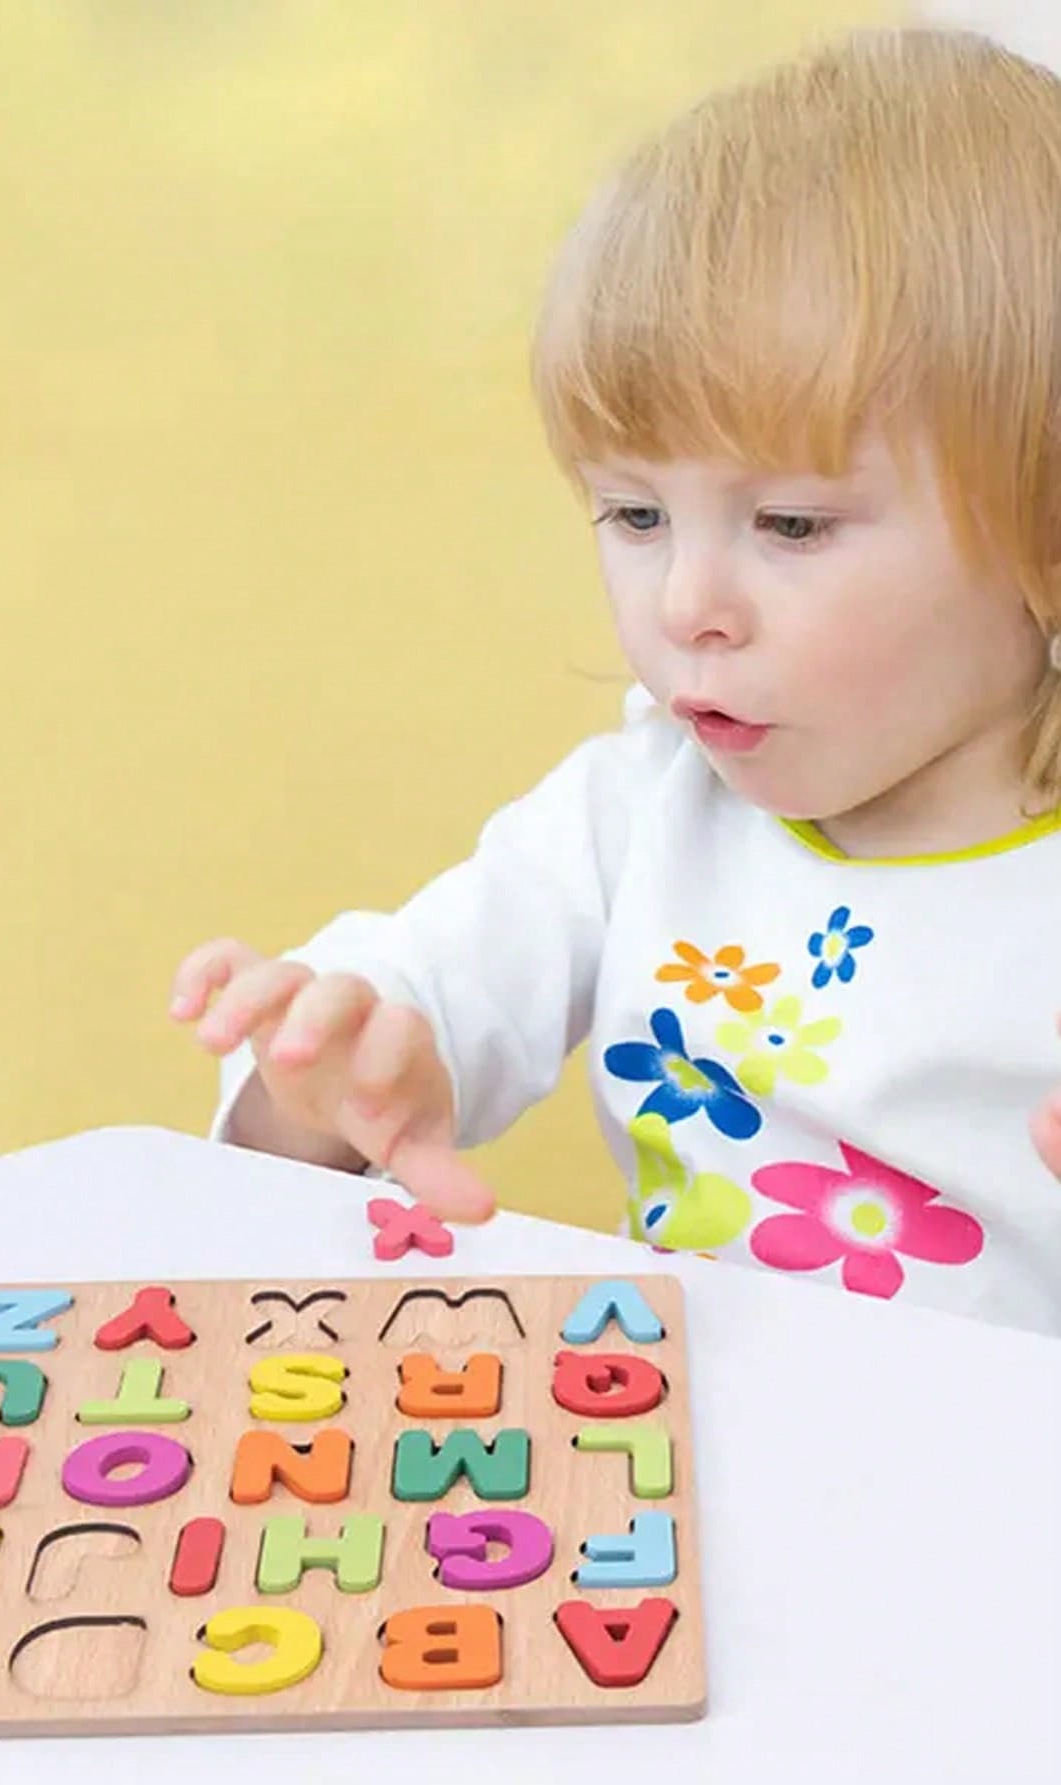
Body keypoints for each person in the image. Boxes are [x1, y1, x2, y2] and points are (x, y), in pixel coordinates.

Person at [171, 26, 1061, 1335]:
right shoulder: (642, 806)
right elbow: (407, 997)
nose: (686, 604)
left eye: (793, 525)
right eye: (635, 516)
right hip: (684, 1483)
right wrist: (322, 1083)